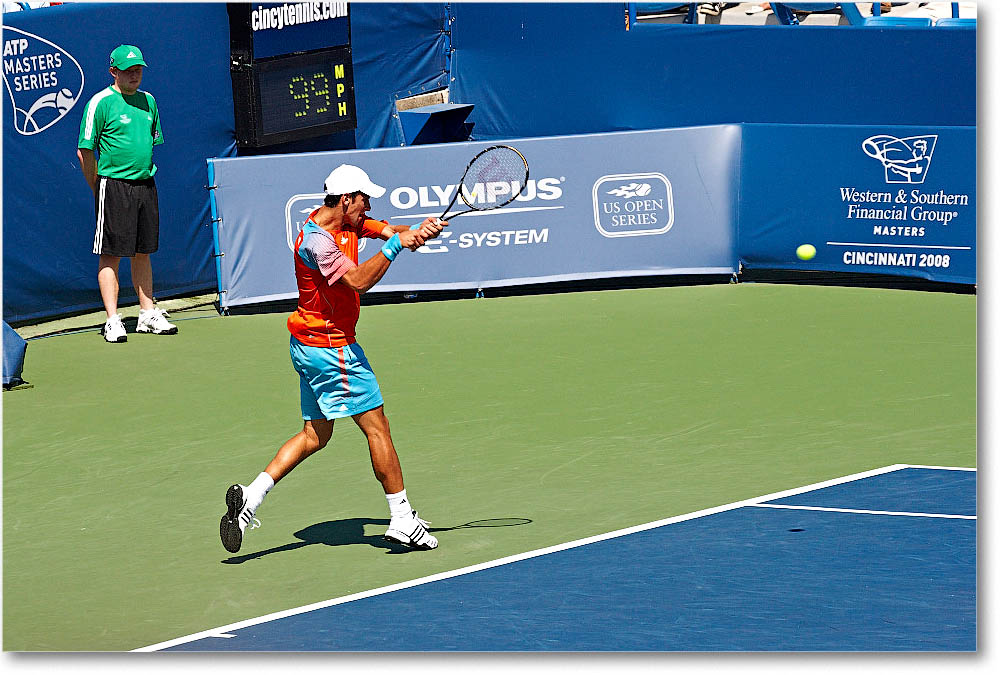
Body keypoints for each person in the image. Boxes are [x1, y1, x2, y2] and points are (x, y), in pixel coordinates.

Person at [220, 164, 448, 554]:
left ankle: (250, 497)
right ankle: (402, 519)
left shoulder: (341, 220)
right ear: (346, 199)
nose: (368, 207)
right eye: (364, 200)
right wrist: (397, 245)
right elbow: (358, 280)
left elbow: (385, 230)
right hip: (332, 350)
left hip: (306, 346)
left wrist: (415, 231)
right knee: (377, 428)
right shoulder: (317, 242)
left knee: (315, 435)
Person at [77, 44, 176, 343]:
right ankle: (112, 320)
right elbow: (85, 151)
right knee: (111, 254)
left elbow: (150, 143)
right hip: (113, 186)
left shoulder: (149, 102)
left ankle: (147, 314)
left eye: (138, 70)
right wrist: (97, 186)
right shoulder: (100, 103)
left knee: (143, 251)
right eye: (128, 70)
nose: (134, 75)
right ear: (113, 72)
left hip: (145, 184)